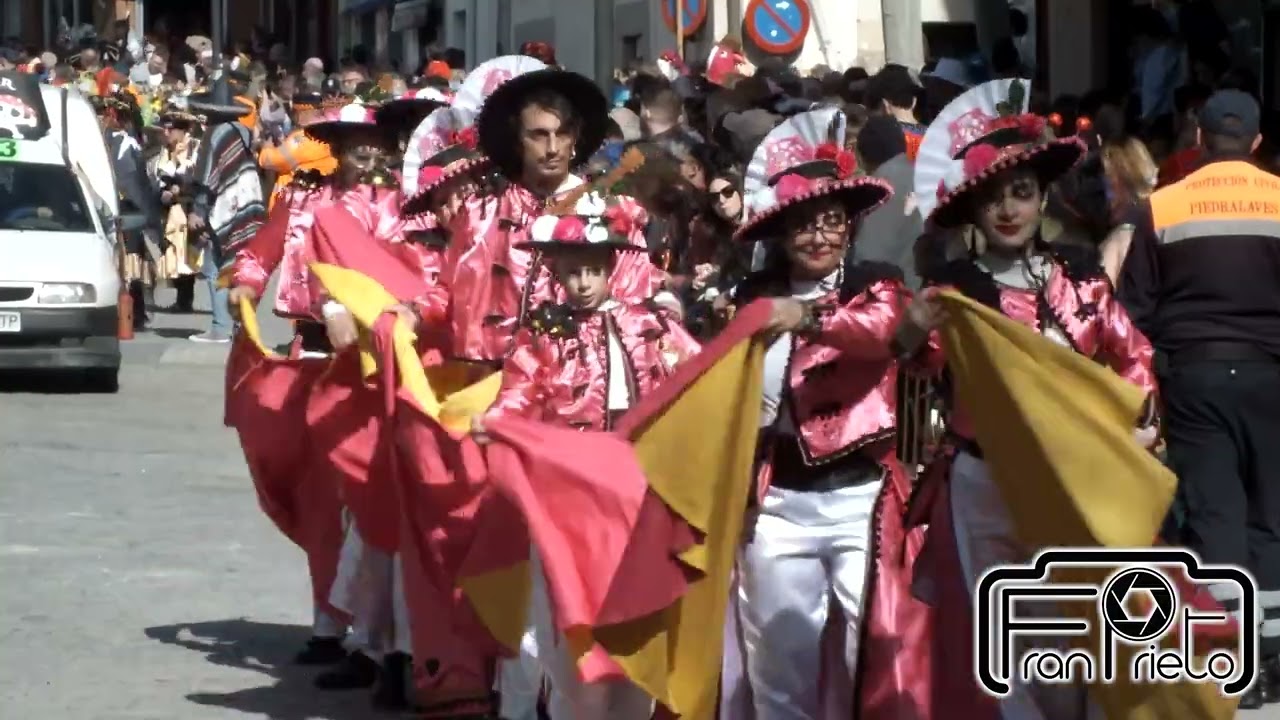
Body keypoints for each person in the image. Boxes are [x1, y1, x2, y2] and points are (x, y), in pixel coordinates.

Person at [896, 80, 1158, 720]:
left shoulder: (1081, 276)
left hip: (1079, 477)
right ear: (972, 211)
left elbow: (1132, 359)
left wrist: (1138, 434)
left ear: (1043, 198)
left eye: (1021, 192)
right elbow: (915, 366)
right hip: (985, 481)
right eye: (993, 197)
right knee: (1003, 633)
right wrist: (911, 330)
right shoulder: (952, 289)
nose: (1009, 209)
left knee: (1088, 625)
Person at [722, 134, 929, 719]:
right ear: (782, 234)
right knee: (778, 669)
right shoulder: (752, 299)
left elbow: (880, 334)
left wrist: (807, 317)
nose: (818, 236)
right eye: (803, 224)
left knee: (879, 651)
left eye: (831, 222)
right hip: (776, 504)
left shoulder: (876, 284)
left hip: (862, 500)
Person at [476, 190, 699, 720]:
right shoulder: (543, 334)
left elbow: (695, 374)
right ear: (556, 272)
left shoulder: (650, 324)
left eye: (591, 271)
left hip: (637, 489)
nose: (581, 283)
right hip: (566, 492)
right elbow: (518, 394)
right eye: (571, 272)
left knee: (635, 609)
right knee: (568, 614)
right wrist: (499, 425)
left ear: (609, 268)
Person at [1117, 89, 1280, 710]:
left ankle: (1238, 664)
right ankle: (1272, 658)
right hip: (1272, 377)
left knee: (1217, 522)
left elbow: (1134, 311)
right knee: (1272, 519)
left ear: (1199, 136)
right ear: (1258, 141)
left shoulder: (1163, 208)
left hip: (1196, 379)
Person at [446, 59, 674, 367]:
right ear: (518, 140)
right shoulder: (481, 212)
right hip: (491, 387)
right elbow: (445, 292)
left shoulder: (613, 214)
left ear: (575, 139)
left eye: (562, 133)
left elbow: (635, 301)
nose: (552, 148)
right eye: (539, 135)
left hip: (581, 387)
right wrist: (409, 313)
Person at [187, 86, 265, 343]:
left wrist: (198, 209)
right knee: (239, 267)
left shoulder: (215, 133)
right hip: (248, 201)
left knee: (214, 267)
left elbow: (208, 176)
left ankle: (220, 327)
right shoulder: (242, 131)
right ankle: (240, 326)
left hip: (226, 204)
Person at [853, 114, 924, 290]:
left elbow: (866, 255)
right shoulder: (929, 172)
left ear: (863, 159)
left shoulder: (881, 187)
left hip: (892, 299)